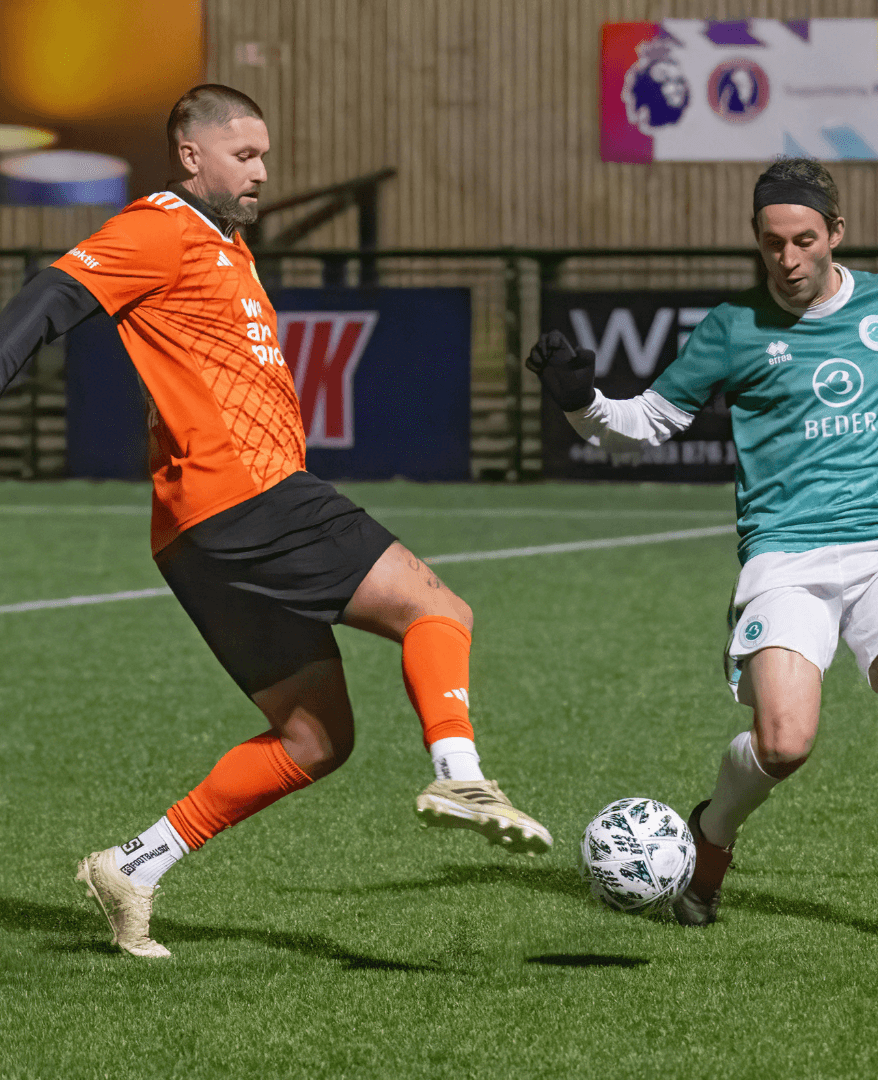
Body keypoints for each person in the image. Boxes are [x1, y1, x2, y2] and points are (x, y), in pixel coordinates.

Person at [0, 84, 551, 959]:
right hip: (249, 496)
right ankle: (464, 780)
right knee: (439, 609)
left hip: (195, 532)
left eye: (264, 155)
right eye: (245, 155)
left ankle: (134, 865)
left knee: (316, 737)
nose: (262, 171)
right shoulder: (160, 226)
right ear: (192, 155)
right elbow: (53, 292)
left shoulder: (226, 247)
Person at [526, 157, 878, 950]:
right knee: (784, 743)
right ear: (756, 240)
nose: (788, 260)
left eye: (805, 240)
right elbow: (645, 424)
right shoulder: (730, 329)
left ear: (836, 235)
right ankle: (710, 835)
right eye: (772, 243)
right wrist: (583, 402)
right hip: (785, 558)